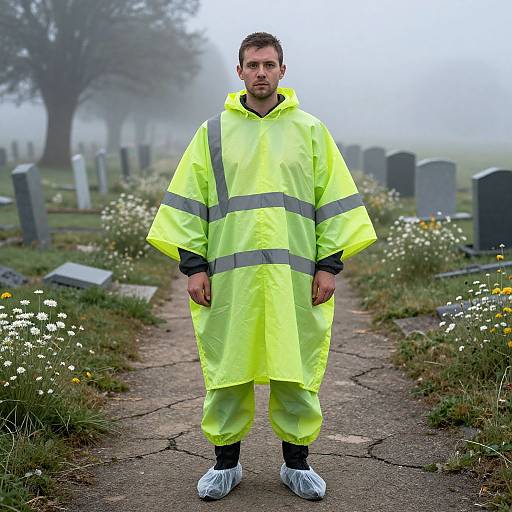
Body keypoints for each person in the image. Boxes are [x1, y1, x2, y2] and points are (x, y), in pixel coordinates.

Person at [146, 32, 377, 501]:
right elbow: (189, 203)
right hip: (230, 280)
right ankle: (225, 466)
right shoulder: (212, 133)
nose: (261, 73)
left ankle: (297, 465)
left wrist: (329, 266)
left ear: (283, 71)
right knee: (228, 370)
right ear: (239, 72)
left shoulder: (311, 131)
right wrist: (193, 267)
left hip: (296, 279)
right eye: (252, 65)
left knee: (295, 369)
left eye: (269, 65)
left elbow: (333, 202)